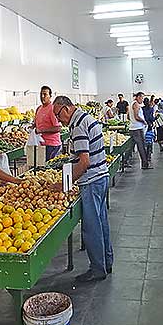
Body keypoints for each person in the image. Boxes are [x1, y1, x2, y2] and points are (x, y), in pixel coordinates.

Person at [51, 96, 112, 282]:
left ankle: (97, 269)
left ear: (66, 108)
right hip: (101, 177)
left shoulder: (78, 126)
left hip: (91, 181)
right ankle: (106, 262)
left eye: (57, 115)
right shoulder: (86, 118)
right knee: (101, 223)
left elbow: (84, 163)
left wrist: (64, 185)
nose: (58, 120)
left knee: (91, 228)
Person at [34, 85, 62, 161]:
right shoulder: (39, 108)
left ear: (50, 96)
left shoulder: (53, 109)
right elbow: (36, 124)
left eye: (45, 94)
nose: (42, 96)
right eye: (41, 94)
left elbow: (58, 128)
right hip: (41, 144)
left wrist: (41, 130)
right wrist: (31, 127)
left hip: (51, 145)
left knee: (48, 168)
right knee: (40, 167)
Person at [129, 92, 151, 169]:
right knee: (141, 146)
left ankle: (144, 163)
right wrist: (144, 121)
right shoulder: (135, 104)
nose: (142, 99)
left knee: (138, 145)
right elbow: (136, 116)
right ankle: (145, 164)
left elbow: (129, 116)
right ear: (138, 97)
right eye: (142, 97)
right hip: (136, 129)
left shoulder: (133, 104)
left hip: (135, 127)